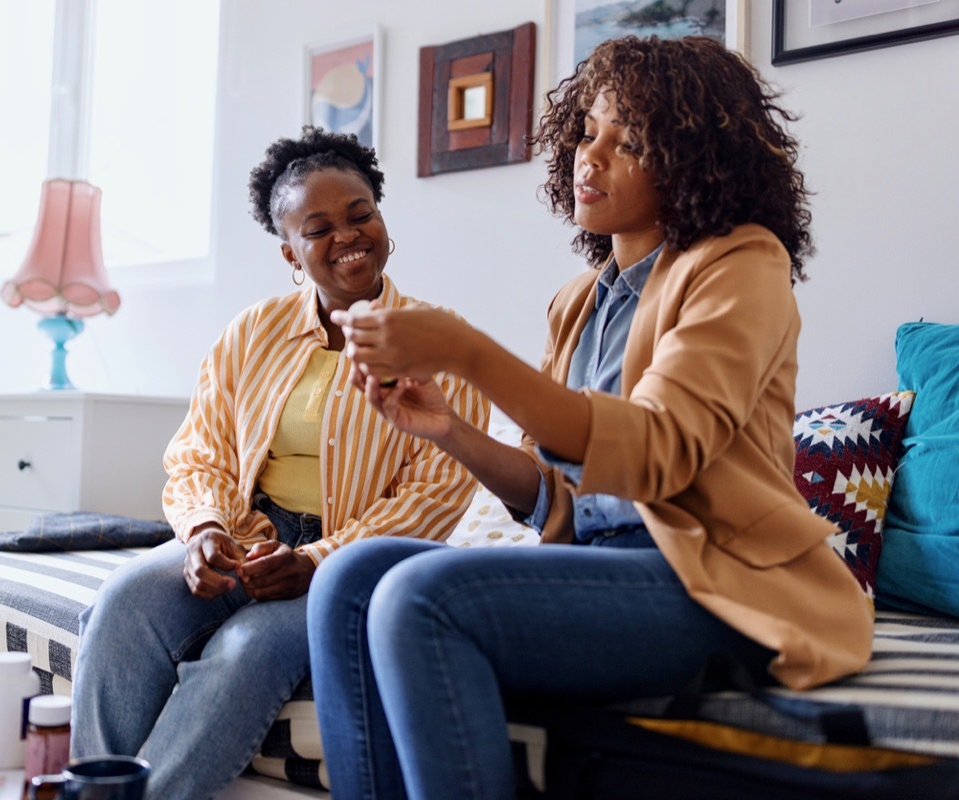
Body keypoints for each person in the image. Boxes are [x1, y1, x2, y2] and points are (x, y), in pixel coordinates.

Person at [308, 36, 873, 800]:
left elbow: (657, 451)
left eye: (628, 141)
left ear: (691, 160)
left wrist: (471, 353)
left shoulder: (743, 264)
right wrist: (449, 430)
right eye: (587, 132)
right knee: (346, 577)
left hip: (709, 581)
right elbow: (559, 496)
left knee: (422, 596)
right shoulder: (579, 300)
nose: (589, 156)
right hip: (602, 561)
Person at [69, 126, 489, 799]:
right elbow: (200, 450)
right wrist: (205, 530)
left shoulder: (438, 339)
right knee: (123, 603)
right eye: (318, 228)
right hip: (244, 538)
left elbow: (435, 495)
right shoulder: (251, 332)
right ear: (290, 251)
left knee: (251, 649)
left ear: (383, 221)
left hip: (348, 563)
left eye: (361, 215)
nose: (348, 236)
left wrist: (318, 560)